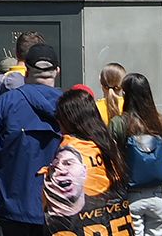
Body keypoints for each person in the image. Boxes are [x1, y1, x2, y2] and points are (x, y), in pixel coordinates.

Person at [0, 42, 64, 236]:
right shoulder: (71, 106)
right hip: (59, 210)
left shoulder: (5, 104)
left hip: (8, 210)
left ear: (26, 71)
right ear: (57, 71)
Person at [42, 88, 130, 236]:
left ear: (68, 120)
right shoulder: (108, 145)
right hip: (116, 226)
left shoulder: (70, 151)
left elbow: (55, 208)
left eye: (59, 117)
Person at [111, 72, 162, 236]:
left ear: (126, 94)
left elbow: (111, 154)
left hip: (129, 193)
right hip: (159, 192)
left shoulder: (119, 123)